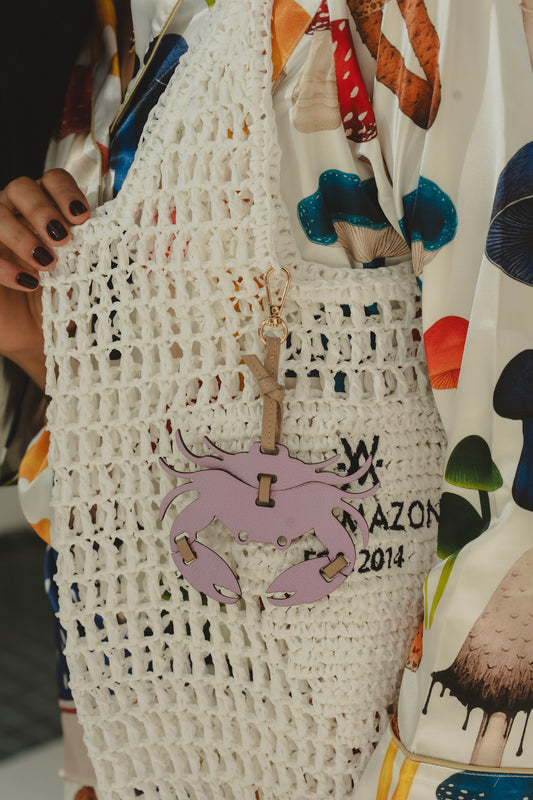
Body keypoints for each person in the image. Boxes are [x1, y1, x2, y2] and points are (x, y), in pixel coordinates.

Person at [2, 1, 533, 798]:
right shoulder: (93, 33)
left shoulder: (428, 15)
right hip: (141, 727)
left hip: (388, 753)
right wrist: (39, 349)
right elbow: (142, 472)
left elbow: (513, 452)